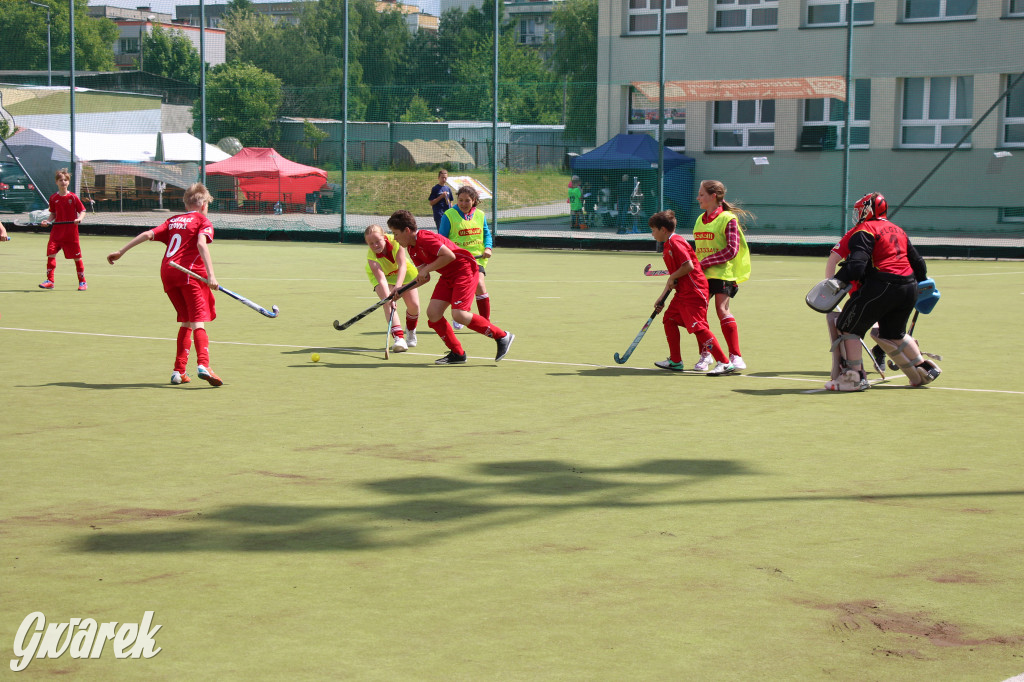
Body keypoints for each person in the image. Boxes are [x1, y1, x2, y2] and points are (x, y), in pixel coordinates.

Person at [106, 183, 224, 387]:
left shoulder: (173, 220)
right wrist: (212, 275)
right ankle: (204, 365)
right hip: (188, 275)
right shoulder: (203, 221)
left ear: (186, 203)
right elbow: (201, 244)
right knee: (198, 321)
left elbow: (147, 234)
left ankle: (178, 371)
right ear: (204, 204)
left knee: (186, 321)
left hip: (167, 274)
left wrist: (121, 252)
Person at [827, 191, 941, 391]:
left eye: (860, 210)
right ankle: (923, 368)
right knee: (894, 332)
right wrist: (922, 283)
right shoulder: (897, 229)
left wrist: (836, 281)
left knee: (847, 325)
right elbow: (919, 264)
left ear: (868, 210)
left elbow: (856, 267)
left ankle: (854, 377)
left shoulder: (865, 229)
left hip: (882, 285)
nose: (858, 214)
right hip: (909, 286)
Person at [386, 209, 514, 365]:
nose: (395, 238)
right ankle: (458, 353)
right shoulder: (412, 249)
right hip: (448, 276)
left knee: (459, 314)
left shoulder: (425, 238)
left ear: (407, 230)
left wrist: (427, 269)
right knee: (433, 313)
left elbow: (449, 255)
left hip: (464, 270)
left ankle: (502, 336)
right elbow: (423, 278)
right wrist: (402, 290)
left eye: (396, 233)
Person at [648, 210, 733, 375]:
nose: (652, 234)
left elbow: (689, 266)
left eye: (653, 230)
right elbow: (674, 277)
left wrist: (672, 277)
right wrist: (662, 298)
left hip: (694, 291)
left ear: (663, 229)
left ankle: (724, 362)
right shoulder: (668, 245)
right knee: (669, 319)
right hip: (682, 293)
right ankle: (675, 361)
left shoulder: (676, 242)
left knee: (698, 327)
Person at [692, 179, 752, 371]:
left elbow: (731, 250)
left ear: (713, 196)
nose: (698, 198)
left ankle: (736, 356)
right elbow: (698, 250)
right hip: (701, 275)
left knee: (721, 309)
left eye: (701, 194)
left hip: (723, 273)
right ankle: (706, 354)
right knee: (698, 315)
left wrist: (704, 263)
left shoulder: (728, 219)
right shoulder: (699, 220)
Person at [439, 185, 493, 325]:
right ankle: (460, 314)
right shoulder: (449, 215)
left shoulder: (480, 215)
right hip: (456, 260)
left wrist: (488, 248)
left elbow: (486, 233)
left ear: (474, 200)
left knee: (480, 285)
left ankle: (485, 322)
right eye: (460, 200)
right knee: (459, 287)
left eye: (467, 200)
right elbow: (441, 240)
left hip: (477, 259)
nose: (463, 203)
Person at [364, 223, 420, 353]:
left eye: (377, 241)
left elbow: (402, 265)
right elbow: (382, 280)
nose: (375, 246)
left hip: (403, 272)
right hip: (384, 276)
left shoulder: (396, 241)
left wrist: (398, 288)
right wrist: (389, 298)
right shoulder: (372, 258)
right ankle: (399, 339)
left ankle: (410, 331)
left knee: (414, 306)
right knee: (387, 303)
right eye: (371, 243)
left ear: (384, 237)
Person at [39, 168, 88, 291]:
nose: (63, 182)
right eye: (60, 180)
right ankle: (50, 281)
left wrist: (79, 219)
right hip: (56, 233)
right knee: (51, 254)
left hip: (71, 234)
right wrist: (48, 221)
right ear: (56, 182)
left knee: (77, 258)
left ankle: (82, 282)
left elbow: (82, 210)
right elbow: (53, 214)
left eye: (65, 180)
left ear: (68, 182)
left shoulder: (73, 197)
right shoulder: (53, 198)